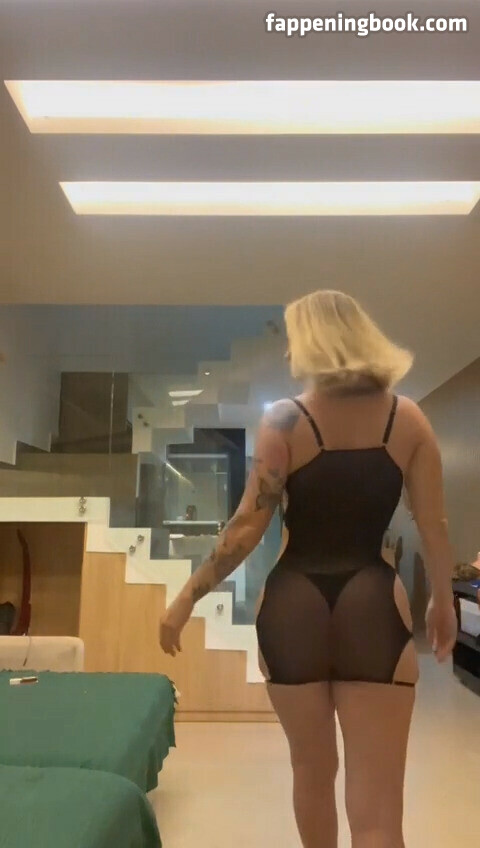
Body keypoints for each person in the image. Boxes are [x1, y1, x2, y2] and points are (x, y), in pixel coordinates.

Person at [160, 289, 457, 848]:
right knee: (377, 814)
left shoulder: (284, 420)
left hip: (292, 606)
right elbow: (433, 524)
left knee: (312, 772)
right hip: (372, 602)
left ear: (312, 342)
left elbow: (244, 530)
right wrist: (443, 601)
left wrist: (185, 599)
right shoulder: (409, 420)